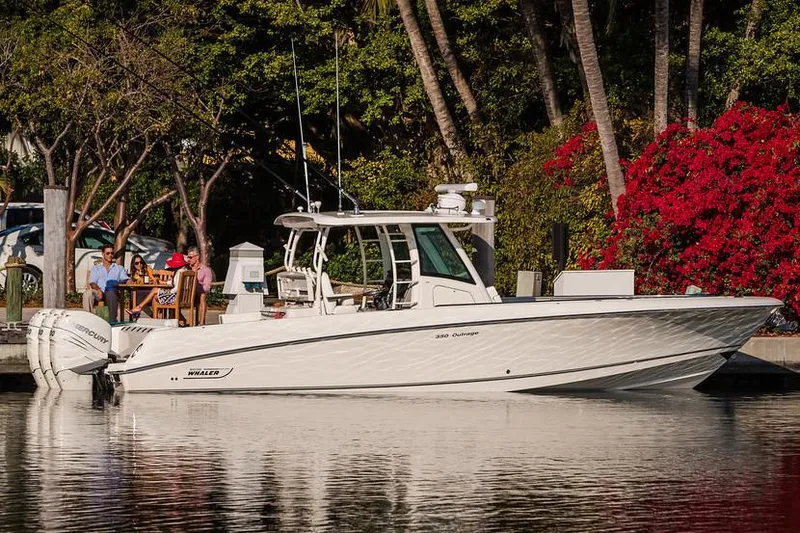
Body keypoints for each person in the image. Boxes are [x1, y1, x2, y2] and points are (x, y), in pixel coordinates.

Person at [130, 252, 189, 317]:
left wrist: (169, 291)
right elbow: (175, 283)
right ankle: (145, 310)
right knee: (154, 293)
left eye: (141, 262)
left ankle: (141, 309)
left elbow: (176, 288)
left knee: (155, 291)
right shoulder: (183, 271)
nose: (139, 264)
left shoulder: (179, 272)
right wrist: (166, 283)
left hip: (175, 297)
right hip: (182, 297)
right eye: (136, 263)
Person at [83, 244, 129, 321]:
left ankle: (112, 320)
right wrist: (98, 290)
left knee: (110, 292)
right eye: (108, 253)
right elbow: (92, 282)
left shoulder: (119, 268)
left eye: (112, 253)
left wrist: (129, 281)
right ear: (102, 254)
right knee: (87, 294)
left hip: (113, 292)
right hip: (99, 291)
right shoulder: (96, 268)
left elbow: (126, 279)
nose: (110, 255)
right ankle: (88, 319)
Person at [186, 246, 213, 324]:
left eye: (190, 257)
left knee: (203, 295)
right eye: (188, 257)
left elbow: (206, 287)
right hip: (184, 293)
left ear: (197, 257)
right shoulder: (186, 268)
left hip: (197, 295)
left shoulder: (206, 270)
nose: (188, 259)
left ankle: (201, 322)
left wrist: (196, 288)